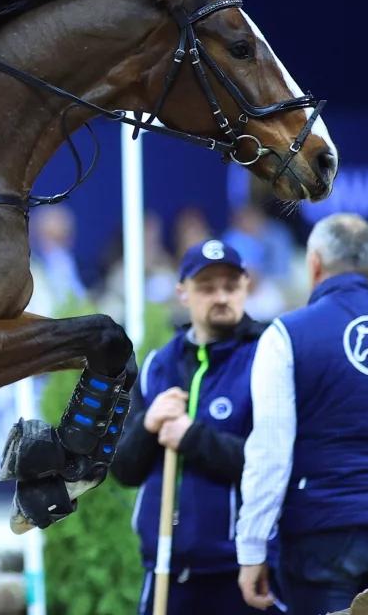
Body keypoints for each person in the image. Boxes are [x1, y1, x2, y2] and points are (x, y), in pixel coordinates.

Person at [236, 213, 368, 615]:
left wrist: (252, 547)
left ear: (314, 264)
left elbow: (270, 450)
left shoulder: (286, 334)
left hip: (320, 534)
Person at [113, 240, 273, 615]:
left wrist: (191, 438)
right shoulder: (157, 366)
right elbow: (123, 469)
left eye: (230, 286)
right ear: (182, 292)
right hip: (166, 566)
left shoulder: (269, 355)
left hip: (242, 569)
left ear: (246, 286)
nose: (220, 296)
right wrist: (147, 426)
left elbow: (272, 464)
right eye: (206, 287)